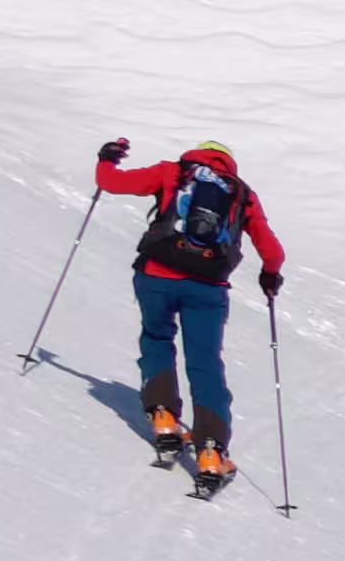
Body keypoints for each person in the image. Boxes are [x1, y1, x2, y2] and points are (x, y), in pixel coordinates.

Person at [96, 139, 285, 484]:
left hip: (155, 276)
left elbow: (111, 183)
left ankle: (164, 417)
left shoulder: (172, 172)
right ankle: (211, 452)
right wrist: (270, 275)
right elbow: (272, 251)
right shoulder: (242, 193)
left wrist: (106, 161)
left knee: (157, 339)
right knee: (205, 362)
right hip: (208, 288)